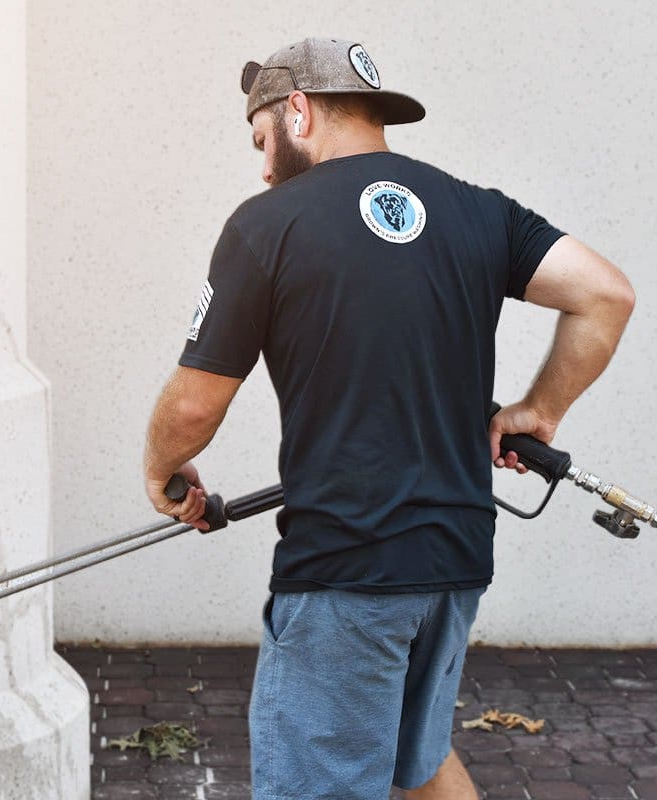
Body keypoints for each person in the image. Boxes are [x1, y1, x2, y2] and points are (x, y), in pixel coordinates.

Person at [142, 37, 635, 800]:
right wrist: (540, 412)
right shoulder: (478, 211)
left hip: (347, 568)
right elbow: (605, 293)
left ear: (297, 112)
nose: (264, 167)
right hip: (455, 562)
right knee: (420, 762)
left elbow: (196, 405)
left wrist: (160, 472)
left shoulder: (266, 224)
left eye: (262, 140)